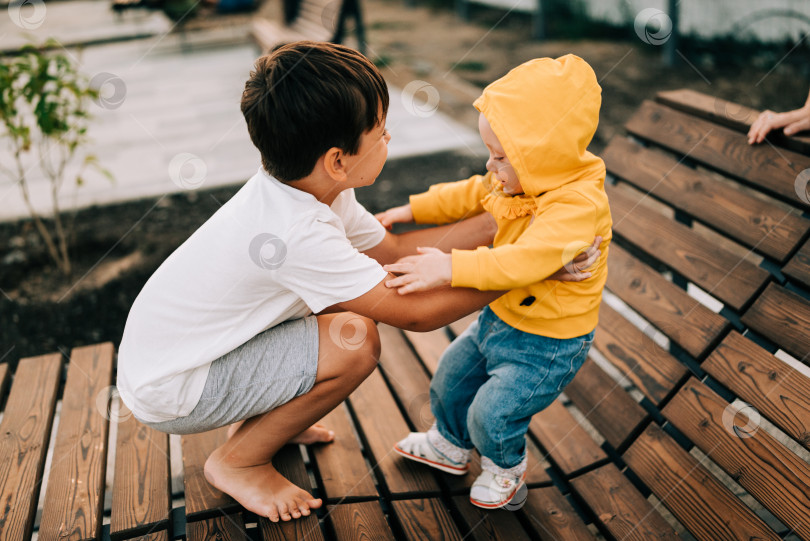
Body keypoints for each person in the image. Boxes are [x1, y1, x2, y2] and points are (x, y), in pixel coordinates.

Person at [116, 42, 600, 524]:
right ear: (337, 160)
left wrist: (508, 223)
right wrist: (527, 269)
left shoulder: (312, 190)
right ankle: (239, 461)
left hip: (187, 353)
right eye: (381, 133)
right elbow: (415, 312)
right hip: (175, 390)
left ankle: (264, 423)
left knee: (337, 314)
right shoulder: (296, 231)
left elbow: (392, 252)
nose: (389, 140)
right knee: (354, 339)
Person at [377, 55, 612, 509]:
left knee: (494, 412)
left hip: (548, 342)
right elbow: (470, 192)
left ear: (541, 154)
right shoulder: (517, 180)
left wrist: (449, 267)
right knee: (450, 377)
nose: (491, 165)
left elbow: (522, 262)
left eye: (502, 157)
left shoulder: (577, 205)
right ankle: (448, 444)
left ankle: (505, 468)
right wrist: (412, 210)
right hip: (501, 319)